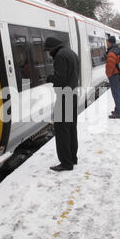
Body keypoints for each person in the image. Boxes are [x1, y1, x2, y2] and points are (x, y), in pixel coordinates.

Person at [45, 37, 79, 172]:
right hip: (72, 94)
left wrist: (49, 78)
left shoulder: (60, 56)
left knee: (61, 130)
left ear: (53, 48)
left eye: (48, 51)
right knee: (71, 128)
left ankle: (66, 163)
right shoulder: (71, 53)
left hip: (64, 96)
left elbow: (60, 78)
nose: (48, 53)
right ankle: (72, 158)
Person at [105, 36, 120, 119]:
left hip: (114, 75)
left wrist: (108, 75)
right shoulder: (118, 50)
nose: (107, 43)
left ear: (110, 42)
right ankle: (117, 110)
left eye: (107, 42)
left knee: (116, 94)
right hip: (119, 74)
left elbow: (110, 66)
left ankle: (118, 113)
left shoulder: (111, 53)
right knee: (117, 93)